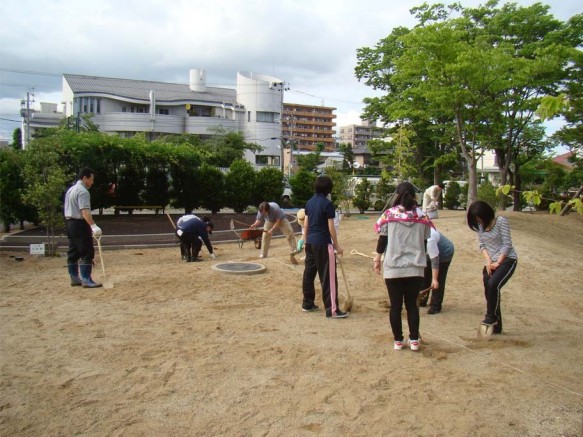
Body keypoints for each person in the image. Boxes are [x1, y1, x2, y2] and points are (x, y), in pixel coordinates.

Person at [373, 182, 437, 351]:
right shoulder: (422, 216)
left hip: (393, 267)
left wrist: (377, 259)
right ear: (414, 196)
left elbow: (382, 239)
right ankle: (414, 340)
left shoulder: (389, 215)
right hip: (415, 267)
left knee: (395, 305)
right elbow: (424, 242)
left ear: (397, 195)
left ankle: (398, 341)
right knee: (411, 305)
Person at [298, 175, 348, 318]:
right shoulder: (327, 204)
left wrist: (304, 240)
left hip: (310, 243)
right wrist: (337, 246)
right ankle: (332, 310)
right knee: (328, 276)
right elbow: (331, 227)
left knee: (309, 273)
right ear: (328, 189)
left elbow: (306, 224)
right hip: (323, 244)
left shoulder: (309, 202)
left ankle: (307, 303)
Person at [467, 201, 518, 334]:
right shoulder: (480, 226)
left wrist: (498, 262)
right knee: (489, 289)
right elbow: (482, 244)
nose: (478, 220)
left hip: (507, 259)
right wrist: (489, 261)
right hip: (491, 261)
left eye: (479, 217)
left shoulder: (501, 221)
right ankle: (497, 326)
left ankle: (491, 317)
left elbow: (507, 244)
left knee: (493, 284)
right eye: (475, 219)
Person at [64, 167, 102, 288]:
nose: (92, 182)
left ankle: (74, 278)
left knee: (73, 251)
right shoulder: (83, 191)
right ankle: (86, 279)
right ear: (85, 178)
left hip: (70, 223)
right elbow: (85, 211)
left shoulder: (71, 189)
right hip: (79, 224)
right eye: (91, 179)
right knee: (87, 251)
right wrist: (93, 225)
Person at [418, 227, 455, 314]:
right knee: (425, 275)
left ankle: (435, 305)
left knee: (438, 279)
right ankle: (422, 299)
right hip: (429, 253)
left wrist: (434, 279)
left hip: (444, 253)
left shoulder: (430, 238)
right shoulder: (416, 234)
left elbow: (435, 260)